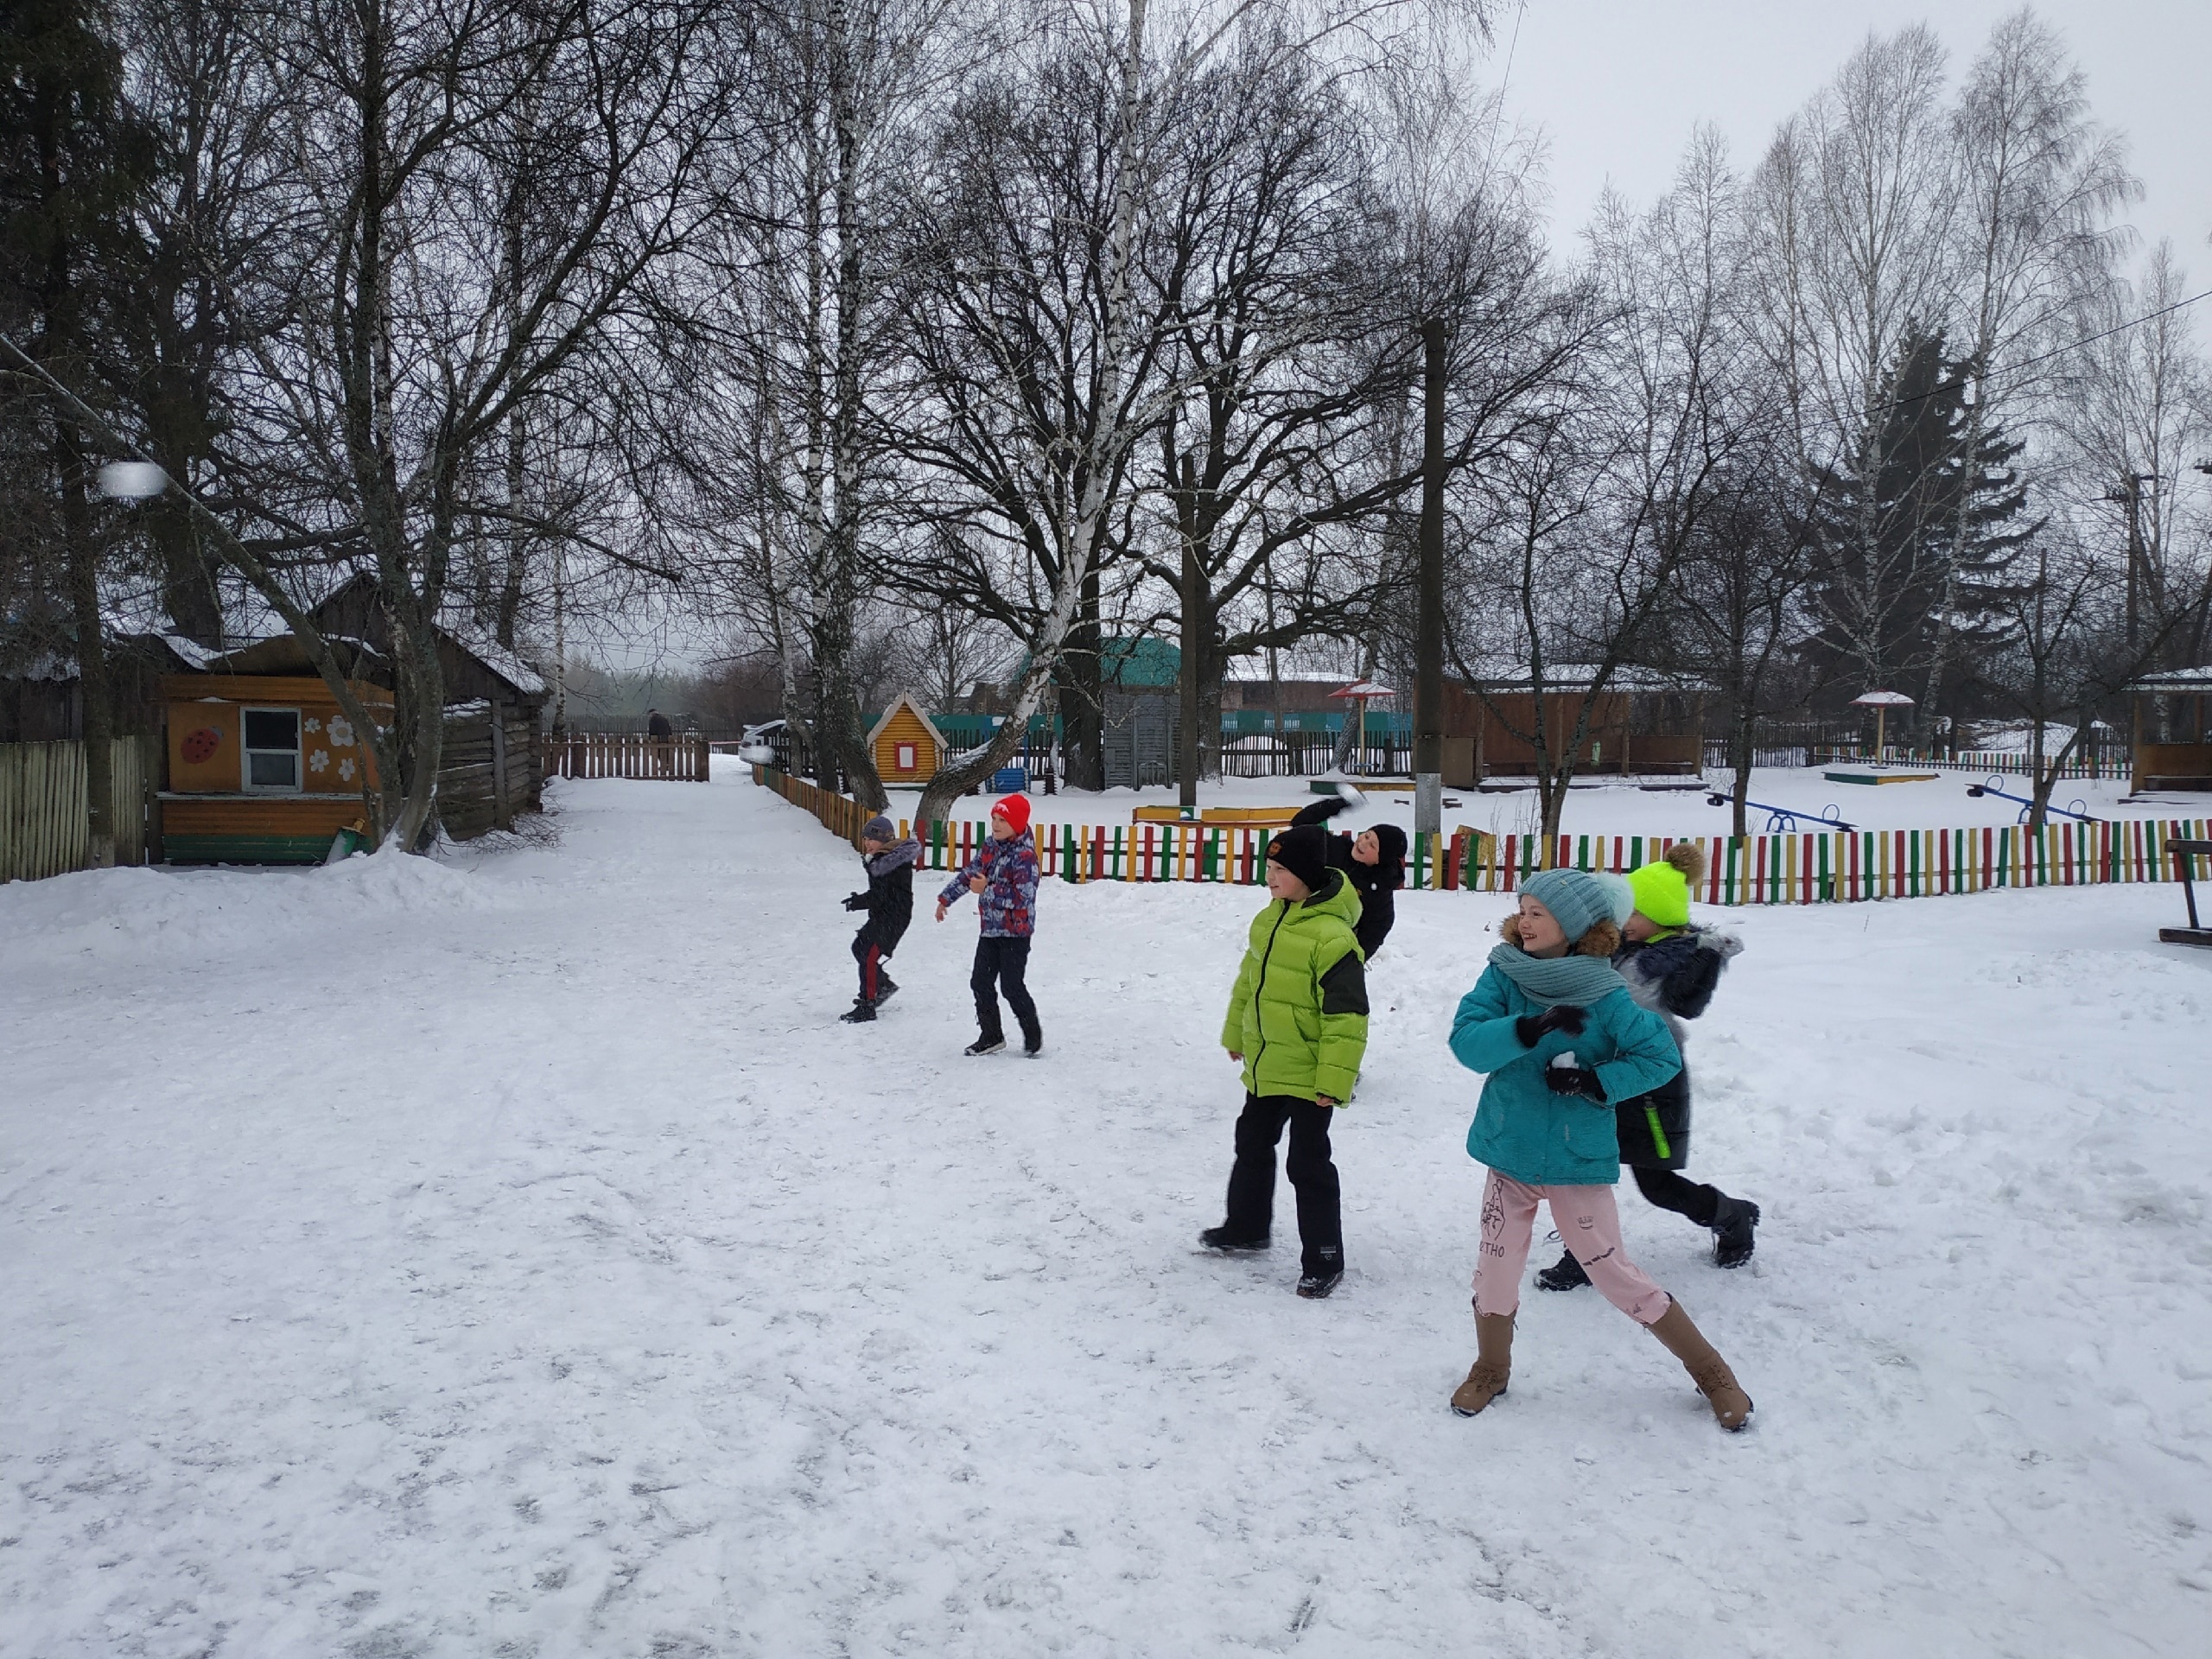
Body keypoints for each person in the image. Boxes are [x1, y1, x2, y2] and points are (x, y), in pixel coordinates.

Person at [1446, 867, 1752, 1431]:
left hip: (1575, 1160)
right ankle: (1491, 1367)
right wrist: (1527, 1030)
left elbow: (1658, 1057)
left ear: (1575, 925)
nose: (1524, 920)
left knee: (1617, 1276)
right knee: (1494, 1273)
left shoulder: (1606, 993)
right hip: (1509, 1150)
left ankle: (1714, 1374)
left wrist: (1595, 1083)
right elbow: (1466, 1043)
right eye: (1523, 909)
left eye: (1539, 912)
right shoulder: (1503, 975)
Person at [1535, 843, 1759, 1287]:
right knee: (1584, 1167)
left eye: (1634, 913)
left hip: (1653, 1081)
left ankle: (1731, 1216)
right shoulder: (1614, 949)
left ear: (1660, 916)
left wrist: (1708, 956)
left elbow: (1688, 1006)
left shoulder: (1677, 961)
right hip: (1601, 1073)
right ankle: (1583, 1253)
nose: (1624, 920)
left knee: (1657, 1186)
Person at [1200, 823, 1369, 1299]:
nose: (1270, 878)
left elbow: (1348, 1015)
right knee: (1251, 1143)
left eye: (1280, 870)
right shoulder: (1269, 919)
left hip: (1310, 1071)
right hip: (1268, 1064)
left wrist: (1335, 1079)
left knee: (1308, 1163)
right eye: (1268, 869)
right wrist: (1237, 1034)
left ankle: (1325, 1256)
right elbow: (1247, 983)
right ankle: (1246, 1227)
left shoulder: (1333, 938)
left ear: (1307, 875)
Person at [936, 794, 1042, 1056]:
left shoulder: (1025, 855)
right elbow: (971, 874)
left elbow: (1023, 896)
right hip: (990, 930)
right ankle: (991, 1035)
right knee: (980, 982)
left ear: (1016, 824)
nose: (995, 824)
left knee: (1011, 986)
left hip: (1016, 933)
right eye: (994, 818)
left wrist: (987, 890)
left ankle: (1032, 1035)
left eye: (1003, 820)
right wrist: (946, 898)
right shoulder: (990, 847)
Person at [1287, 790, 1408, 960]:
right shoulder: (1338, 848)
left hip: (1331, 943)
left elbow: (1377, 927)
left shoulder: (1379, 887)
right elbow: (1300, 823)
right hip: (1298, 924)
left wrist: (1350, 962)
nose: (1363, 843)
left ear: (1381, 860)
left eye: (1372, 846)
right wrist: (1337, 804)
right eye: (1366, 836)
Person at [840, 814, 920, 1024]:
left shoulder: (890, 862)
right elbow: (880, 894)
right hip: (884, 915)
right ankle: (882, 985)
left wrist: (857, 902)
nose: (867, 843)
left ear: (885, 839)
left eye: (871, 839)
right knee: (859, 947)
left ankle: (867, 1004)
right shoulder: (884, 859)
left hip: (893, 917)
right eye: (865, 839)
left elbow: (881, 896)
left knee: (867, 954)